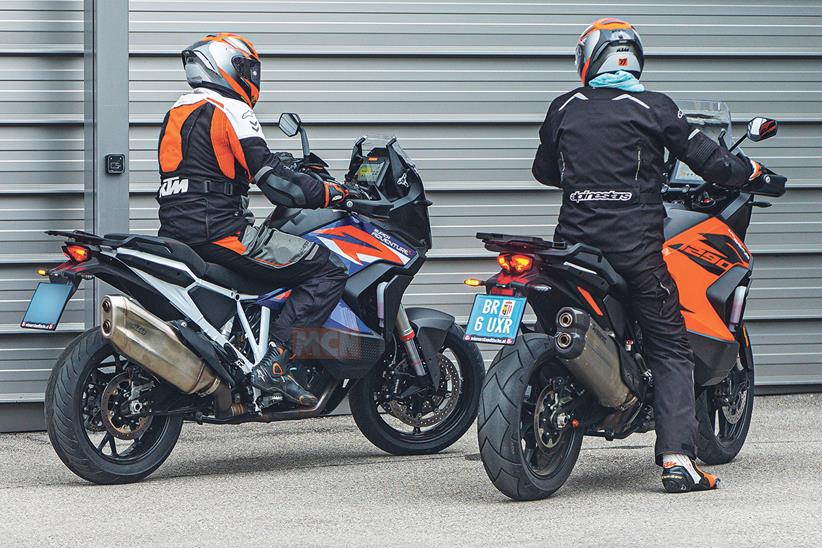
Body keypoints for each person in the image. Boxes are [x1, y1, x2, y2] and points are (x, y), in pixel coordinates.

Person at [532, 18, 764, 492]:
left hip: (573, 247)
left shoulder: (564, 107)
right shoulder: (654, 107)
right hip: (634, 248)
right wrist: (750, 169)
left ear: (587, 60)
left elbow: (544, 171)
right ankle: (679, 460)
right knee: (670, 346)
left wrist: (588, 182)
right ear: (634, 59)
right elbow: (713, 163)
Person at [156, 33, 349, 406]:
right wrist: (330, 192)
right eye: (248, 69)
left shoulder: (178, 110)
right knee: (327, 268)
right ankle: (276, 363)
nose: (253, 77)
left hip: (179, 232)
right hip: (223, 232)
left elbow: (215, 164)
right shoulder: (232, 108)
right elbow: (276, 184)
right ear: (230, 67)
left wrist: (287, 168)